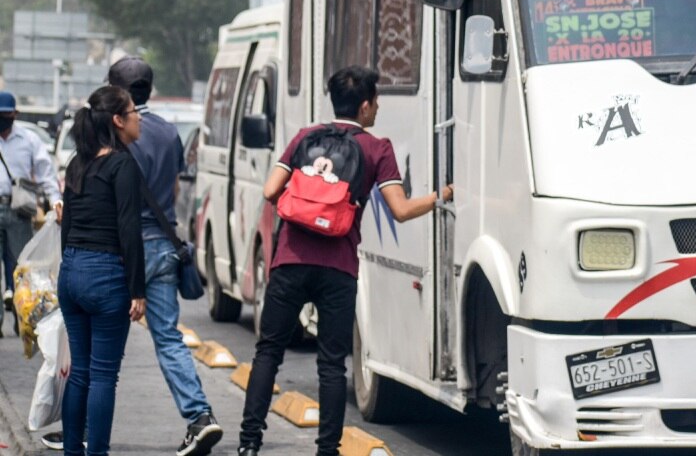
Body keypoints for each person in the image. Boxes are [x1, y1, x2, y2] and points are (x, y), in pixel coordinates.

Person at [238, 66, 452, 456]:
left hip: (290, 260)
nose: (378, 108)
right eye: (376, 102)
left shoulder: (305, 137)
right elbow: (401, 210)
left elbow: (271, 191)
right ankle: (327, 450)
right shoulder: (377, 148)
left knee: (268, 352)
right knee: (332, 365)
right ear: (365, 106)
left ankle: (249, 443)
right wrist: (442, 195)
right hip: (338, 268)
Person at [106, 56, 223, 455]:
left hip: (121, 248)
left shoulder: (112, 129)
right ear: (150, 89)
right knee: (169, 338)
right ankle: (200, 416)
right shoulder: (170, 132)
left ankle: (83, 427)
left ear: (115, 92)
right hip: (162, 243)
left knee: (102, 343)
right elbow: (172, 190)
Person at [58, 86, 147, 456]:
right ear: (117, 120)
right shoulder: (122, 165)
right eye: (134, 111)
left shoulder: (77, 163)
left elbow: (67, 224)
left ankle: (72, 451)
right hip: (106, 275)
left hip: (71, 271)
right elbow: (129, 229)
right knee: (103, 375)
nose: (139, 117)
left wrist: (70, 266)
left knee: (80, 371)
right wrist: (137, 290)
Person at [0, 90, 62, 338]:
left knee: (22, 269)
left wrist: (56, 202)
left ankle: (22, 318)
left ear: (15, 114)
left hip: (19, 211)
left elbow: (46, 174)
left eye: (6, 115)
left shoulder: (28, 141)